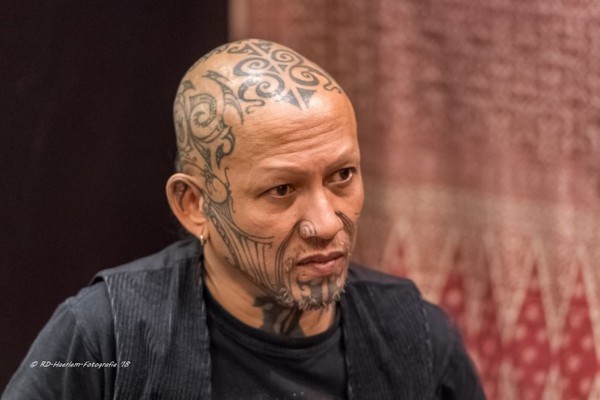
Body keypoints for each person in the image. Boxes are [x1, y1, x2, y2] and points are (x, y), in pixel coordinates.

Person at [2, 39, 485, 400]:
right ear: (194, 205)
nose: (326, 224)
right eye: (281, 190)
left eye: (342, 176)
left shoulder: (417, 339)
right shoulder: (101, 338)